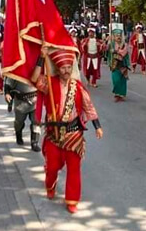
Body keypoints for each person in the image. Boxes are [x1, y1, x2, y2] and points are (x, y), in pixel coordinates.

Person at [31, 46, 103, 214]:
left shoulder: (77, 87)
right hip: (53, 134)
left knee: (74, 168)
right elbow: (34, 78)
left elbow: (89, 107)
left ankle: (72, 199)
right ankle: (50, 185)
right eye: (63, 67)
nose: (66, 70)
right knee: (52, 167)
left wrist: (97, 126)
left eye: (69, 67)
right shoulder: (49, 82)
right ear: (58, 68)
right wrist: (41, 57)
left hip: (73, 134)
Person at [4, 74, 41, 152]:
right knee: (19, 122)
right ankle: (18, 134)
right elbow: (9, 82)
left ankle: (34, 142)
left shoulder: (37, 67)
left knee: (36, 121)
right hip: (20, 102)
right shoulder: (18, 68)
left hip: (35, 100)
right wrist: (7, 93)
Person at [107, 29, 130, 102]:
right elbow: (106, 50)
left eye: (119, 35)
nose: (118, 37)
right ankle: (117, 94)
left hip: (122, 64)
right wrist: (107, 43)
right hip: (114, 64)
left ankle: (121, 95)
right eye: (117, 36)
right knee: (115, 80)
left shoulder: (124, 44)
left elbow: (123, 53)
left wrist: (116, 51)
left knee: (122, 81)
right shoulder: (112, 44)